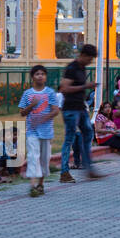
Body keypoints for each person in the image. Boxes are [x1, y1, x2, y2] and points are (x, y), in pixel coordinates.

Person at [59, 44, 102, 182]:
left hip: (80, 107)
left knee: (88, 132)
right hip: (71, 109)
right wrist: (85, 86)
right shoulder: (72, 68)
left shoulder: (82, 68)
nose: (90, 62)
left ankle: (88, 167)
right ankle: (64, 172)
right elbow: (64, 88)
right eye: (90, 59)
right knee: (69, 138)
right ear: (83, 55)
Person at [18, 65, 59, 197]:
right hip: (32, 131)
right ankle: (33, 185)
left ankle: (41, 184)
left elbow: (55, 110)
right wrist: (32, 105)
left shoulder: (50, 93)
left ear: (45, 77)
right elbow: (22, 113)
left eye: (42, 74)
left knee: (44, 159)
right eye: (37, 74)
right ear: (32, 77)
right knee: (32, 156)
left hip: (46, 131)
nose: (40, 76)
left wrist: (43, 118)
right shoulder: (27, 94)